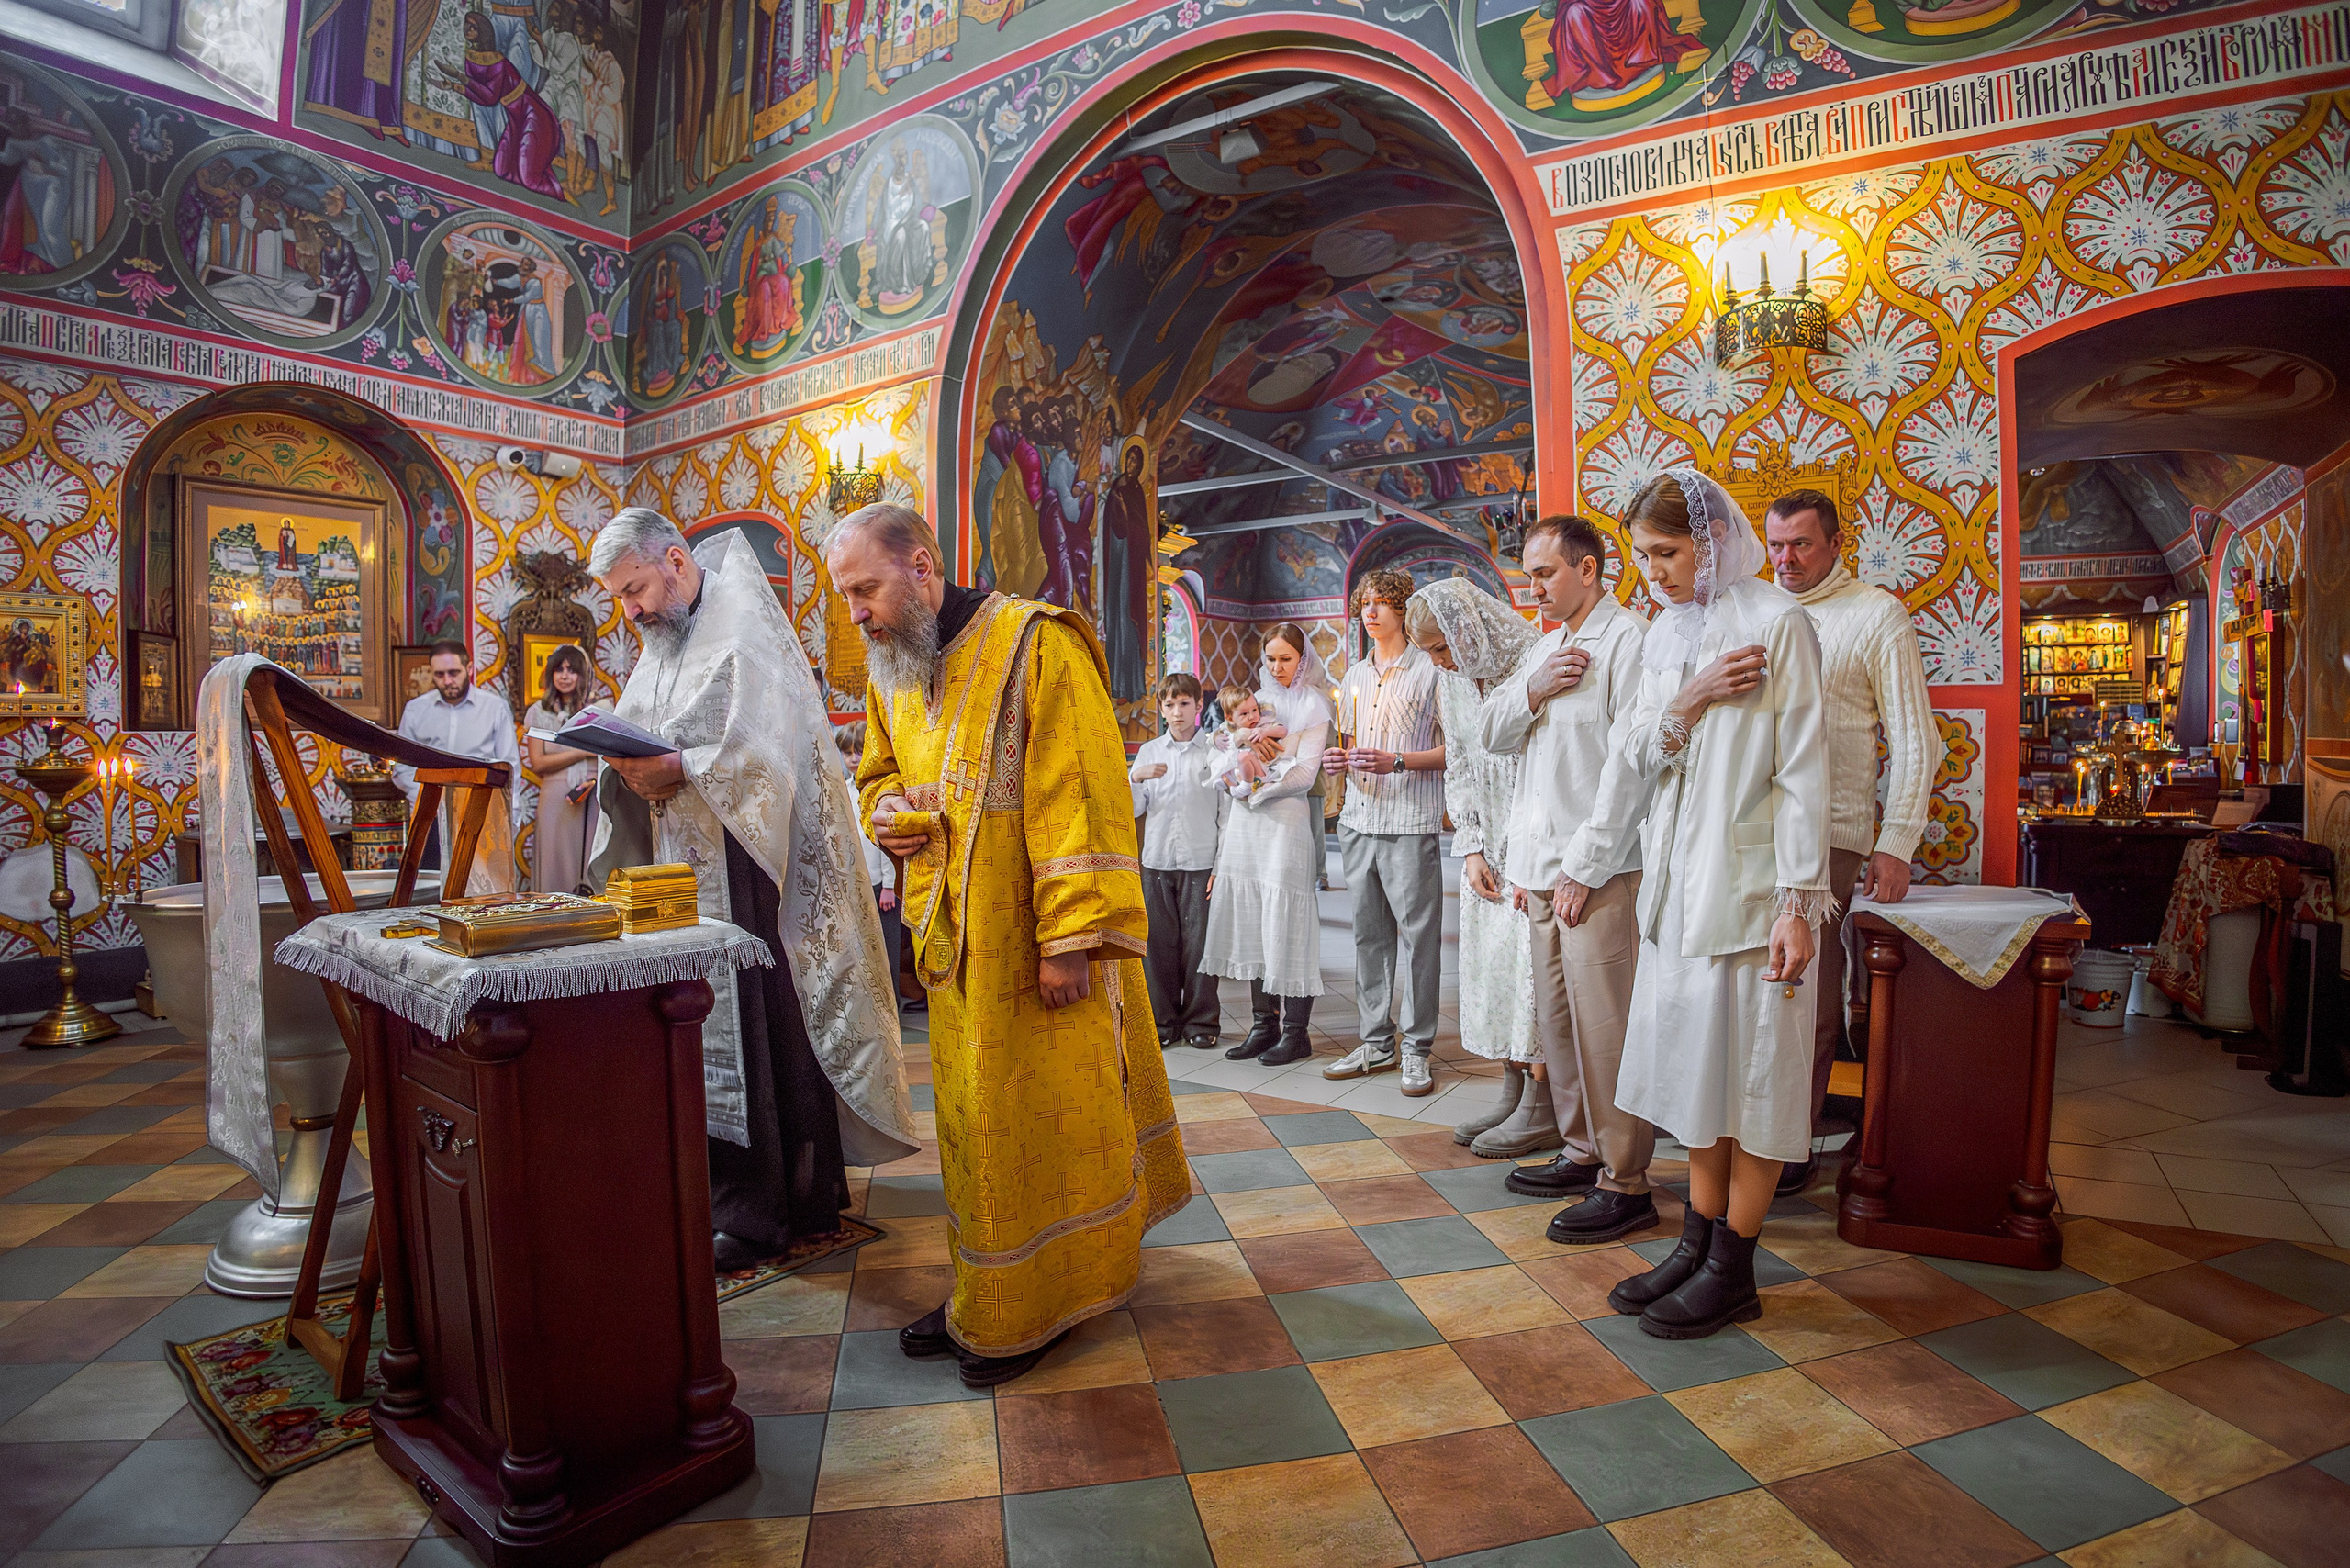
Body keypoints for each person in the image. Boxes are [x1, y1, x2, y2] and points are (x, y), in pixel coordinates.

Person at [832, 502, 1187, 1388]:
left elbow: (1080, 795)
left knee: (1044, 1121)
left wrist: (1069, 940)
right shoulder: (895, 661)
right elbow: (879, 770)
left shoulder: (1037, 643)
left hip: (1034, 942)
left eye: (865, 590)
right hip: (954, 940)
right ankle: (988, 1290)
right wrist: (886, 811)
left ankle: (1050, 1296)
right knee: (975, 1125)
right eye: (846, 597)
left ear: (921, 567)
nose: (856, 613)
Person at [587, 509, 918, 1275]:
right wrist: (622, 762)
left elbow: (769, 753)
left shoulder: (743, 630)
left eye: (635, 590)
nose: (631, 611)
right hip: (681, 868)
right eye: (620, 598)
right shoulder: (663, 647)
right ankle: (721, 1193)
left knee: (762, 1025)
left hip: (755, 869)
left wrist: (682, 767)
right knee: (693, 1020)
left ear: (674, 562)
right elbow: (639, 730)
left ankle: (769, 1205)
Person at [1583, 469, 1830, 1340]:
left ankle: (1735, 1267)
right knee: (1698, 1077)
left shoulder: (1777, 622)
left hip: (1756, 894)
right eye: (1642, 556)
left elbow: (1803, 771)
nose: (1651, 572)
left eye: (1665, 552)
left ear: (1712, 540)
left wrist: (1797, 901)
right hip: (1678, 890)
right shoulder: (1663, 633)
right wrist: (1688, 700)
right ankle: (1695, 1243)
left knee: (1754, 1080)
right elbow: (1633, 753)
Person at [1763, 488, 1942, 1193]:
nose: (1786, 559)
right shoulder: (1758, 610)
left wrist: (1895, 841)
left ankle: (1792, 1140)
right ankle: (1750, 1129)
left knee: (1805, 994)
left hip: (1831, 835)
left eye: (1801, 544)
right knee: (1754, 989)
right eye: (1776, 545)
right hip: (1750, 832)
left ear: (1837, 544)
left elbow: (1916, 740)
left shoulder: (1876, 614)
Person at [1483, 517, 1658, 1225]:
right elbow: (1492, 733)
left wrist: (1584, 868)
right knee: (1558, 1025)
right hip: (1538, 869)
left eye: (1544, 573)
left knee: (1606, 1029)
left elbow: (1631, 771)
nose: (1534, 587)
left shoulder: (1630, 642)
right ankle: (1582, 1149)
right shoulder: (1545, 647)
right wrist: (1533, 690)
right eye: (1528, 574)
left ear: (1588, 569)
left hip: (1599, 872)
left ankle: (1626, 1180)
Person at [1404, 578, 1546, 1153]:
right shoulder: (1451, 680)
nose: (1439, 661)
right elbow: (1460, 759)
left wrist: (1530, 854)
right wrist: (1471, 846)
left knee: (1534, 974)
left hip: (1535, 840)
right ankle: (1512, 1086)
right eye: (1429, 652)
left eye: (1442, 647)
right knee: (1497, 969)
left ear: (1467, 629)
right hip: (1488, 846)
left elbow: (1549, 761)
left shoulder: (1531, 659)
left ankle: (1545, 1101)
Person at [1322, 568, 1447, 1094]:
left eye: (1381, 602)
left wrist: (1397, 760)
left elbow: (1457, 750)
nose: (1370, 612)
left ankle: (1417, 1048)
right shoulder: (1354, 675)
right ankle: (1376, 1043)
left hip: (1410, 820)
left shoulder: (1431, 670)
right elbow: (1354, 747)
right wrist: (1337, 760)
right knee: (1369, 938)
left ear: (1402, 608)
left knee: (1419, 940)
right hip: (1358, 821)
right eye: (1365, 604)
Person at [1203, 625, 1334, 1068]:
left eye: (1286, 659)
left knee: (1286, 920)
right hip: (1246, 827)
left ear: (1303, 659)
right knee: (1255, 918)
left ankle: (1296, 1033)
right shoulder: (1256, 699)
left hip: (1285, 823)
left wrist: (1255, 793)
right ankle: (1263, 1026)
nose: (1277, 667)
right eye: (1271, 658)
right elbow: (1223, 747)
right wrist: (1231, 780)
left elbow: (1305, 774)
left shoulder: (1315, 704)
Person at [1130, 672, 1225, 1050]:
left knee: (1200, 946)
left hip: (1201, 860)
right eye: (1169, 704)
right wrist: (1135, 778)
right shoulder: (1151, 752)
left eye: (1184, 703)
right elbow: (1135, 809)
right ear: (1161, 708)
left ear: (1199, 705)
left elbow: (1225, 814)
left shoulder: (1214, 753)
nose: (1177, 711)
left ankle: (1201, 1021)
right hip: (1157, 860)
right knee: (1159, 945)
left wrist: (1220, 865)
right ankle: (1163, 1020)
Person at [392, 639, 521, 894]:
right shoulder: (416, 710)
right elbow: (403, 769)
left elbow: (509, 768)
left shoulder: (494, 708)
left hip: (482, 814)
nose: (447, 681)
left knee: (483, 892)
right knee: (431, 891)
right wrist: (430, 799)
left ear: (469, 669)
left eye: (454, 673)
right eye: (439, 674)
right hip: (430, 817)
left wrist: (511, 819)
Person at [522, 643, 599, 894]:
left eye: (572, 670)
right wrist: (582, 751)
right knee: (555, 864)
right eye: (559, 669)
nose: (565, 676)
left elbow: (609, 756)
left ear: (583, 675)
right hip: (556, 797)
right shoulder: (538, 712)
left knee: (591, 860)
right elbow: (538, 763)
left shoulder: (598, 710)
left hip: (593, 794)